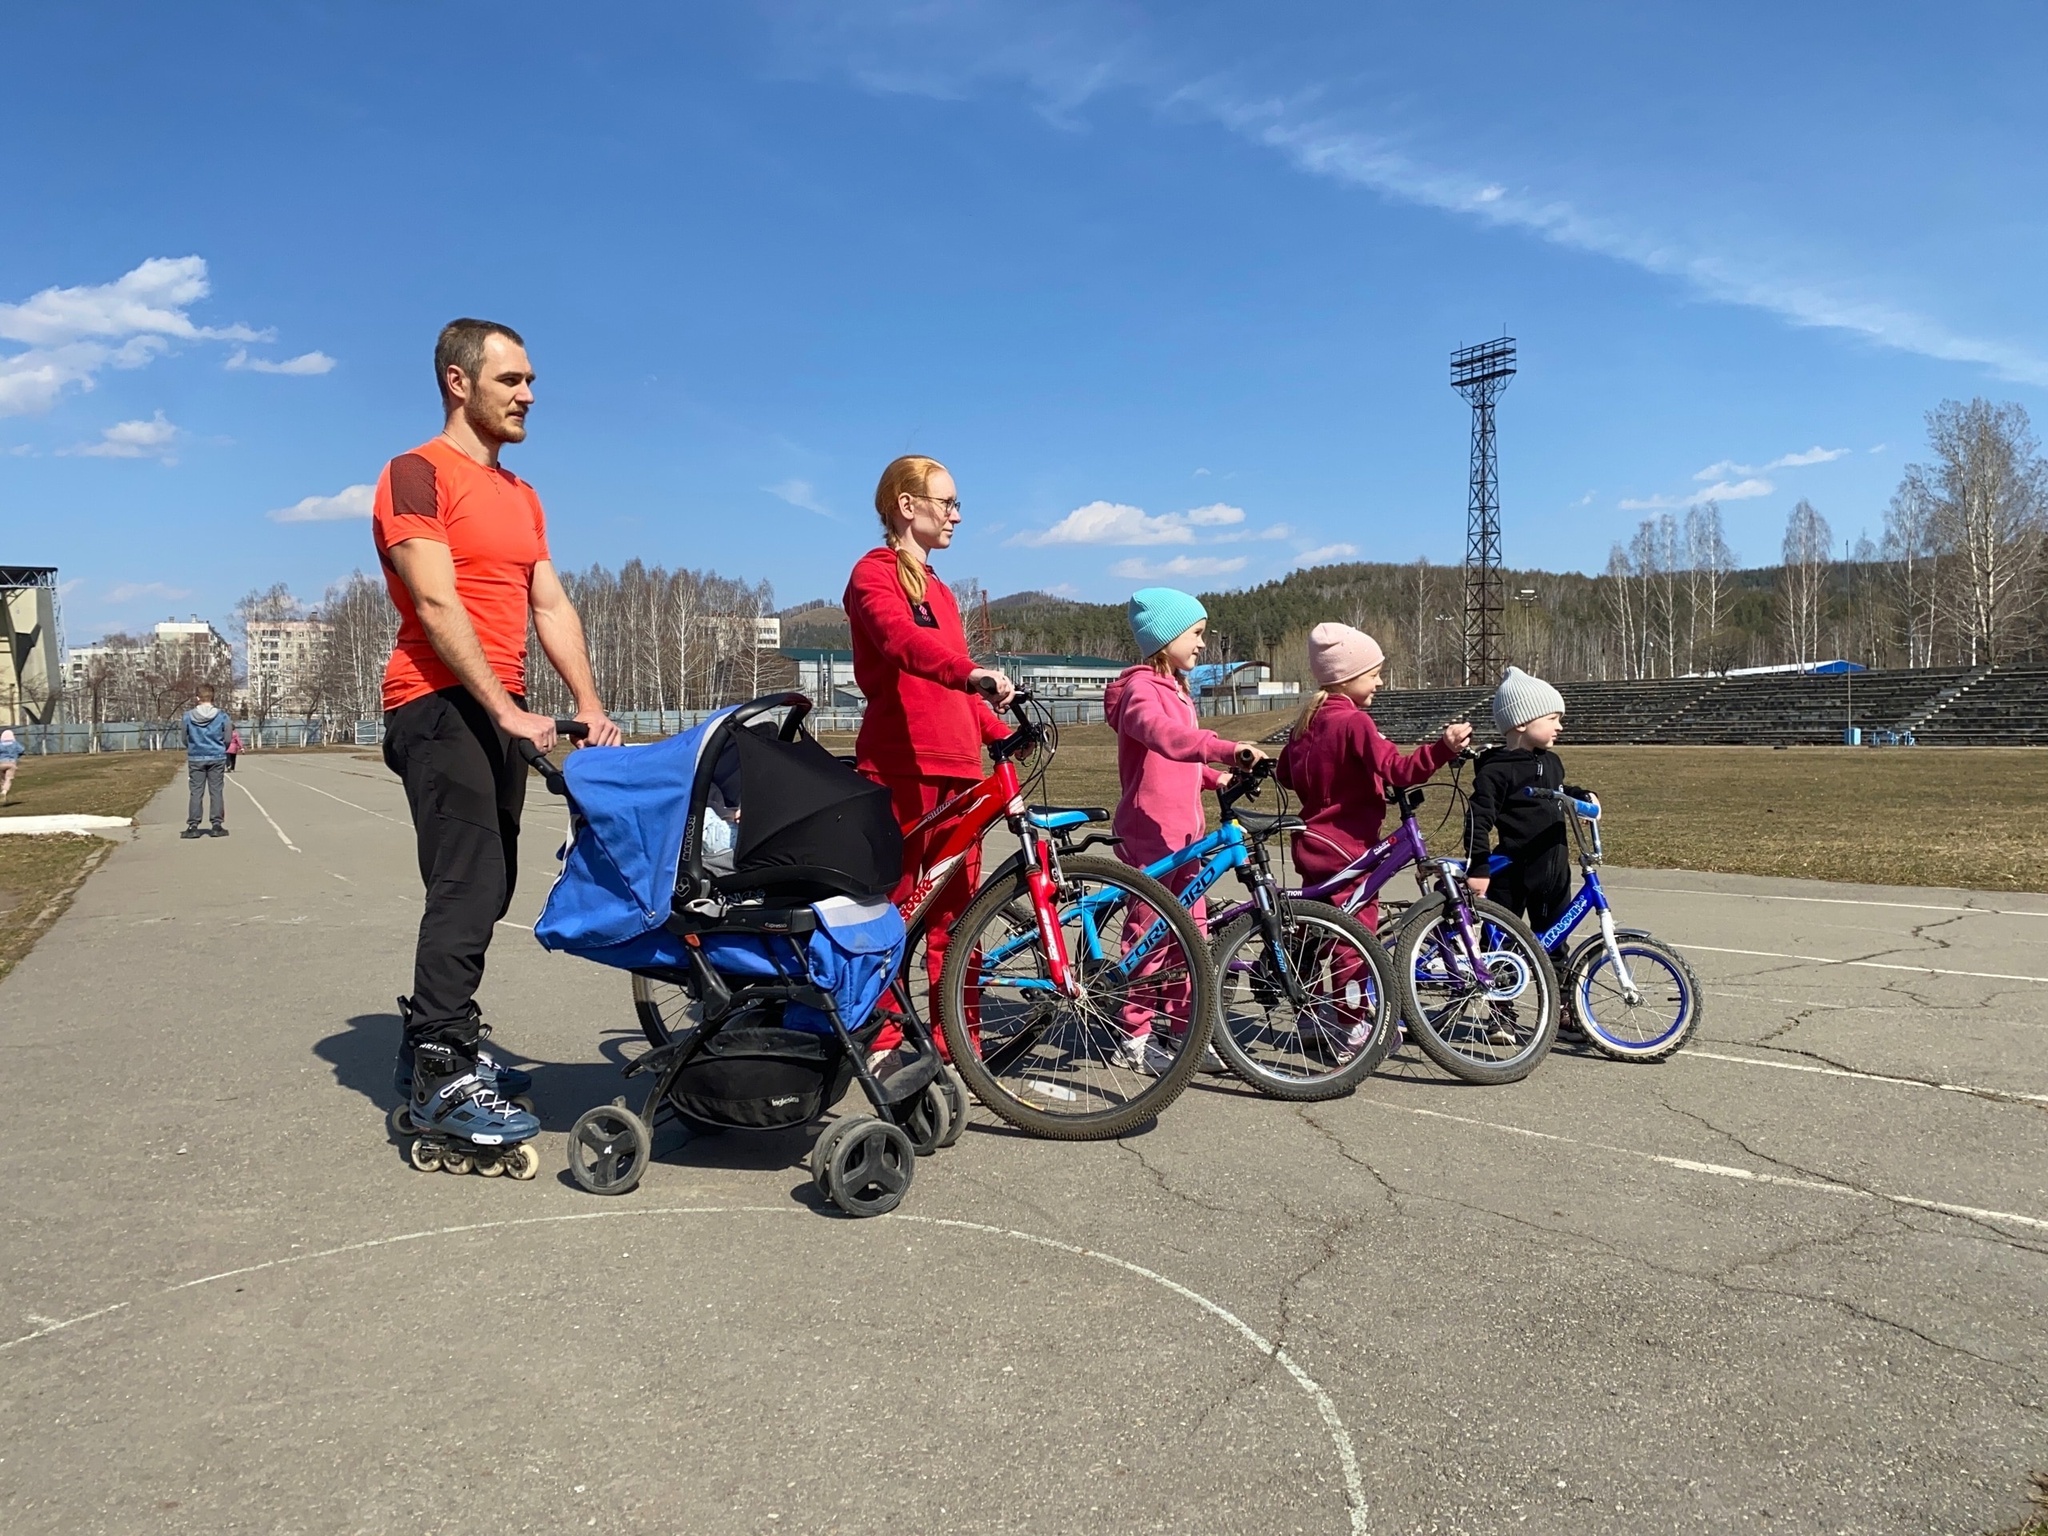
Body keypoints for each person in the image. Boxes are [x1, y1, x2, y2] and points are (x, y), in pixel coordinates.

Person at [374, 316, 621, 1159]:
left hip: (496, 706)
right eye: (511, 379)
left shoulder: (520, 494)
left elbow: (548, 604)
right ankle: (442, 1069)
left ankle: (438, 1038)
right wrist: (503, 707)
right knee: (469, 881)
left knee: (493, 875)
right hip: (436, 701)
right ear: (458, 380)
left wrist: (587, 702)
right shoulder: (415, 473)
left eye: (530, 381)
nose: (528, 394)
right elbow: (436, 601)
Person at [844, 454, 1014, 1055]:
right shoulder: (874, 573)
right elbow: (901, 644)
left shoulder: (941, 588)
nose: (957, 516)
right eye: (948, 503)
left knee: (957, 915)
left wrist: (996, 730)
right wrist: (971, 672)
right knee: (895, 908)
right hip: (903, 765)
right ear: (906, 505)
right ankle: (883, 1034)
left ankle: (954, 1040)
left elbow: (955, 691)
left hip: (960, 767)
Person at [1102, 588, 1266, 1074]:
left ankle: (1182, 1030)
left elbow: (1184, 765)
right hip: (1149, 830)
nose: (1202, 643)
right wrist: (1223, 747)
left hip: (1187, 833)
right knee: (1150, 935)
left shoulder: (1178, 690)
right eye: (1195, 634)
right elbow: (1165, 739)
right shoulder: (1141, 691)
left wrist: (1218, 776)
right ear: (1165, 638)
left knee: (1190, 936)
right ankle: (1134, 1034)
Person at [1277, 622, 1471, 932]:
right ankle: (1354, 983)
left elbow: (1286, 774)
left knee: (1315, 932)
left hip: (1312, 841)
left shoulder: (1307, 722)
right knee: (1355, 938)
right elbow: (1400, 770)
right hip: (1347, 846)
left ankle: (1295, 979)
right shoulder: (1355, 722)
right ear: (1346, 678)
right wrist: (1443, 749)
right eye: (1373, 675)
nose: (1379, 682)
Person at [1464, 665, 1592, 946]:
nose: (1560, 726)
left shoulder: (1552, 762)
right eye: (1552, 718)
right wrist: (1478, 868)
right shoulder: (1497, 771)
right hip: (1516, 873)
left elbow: (1558, 790)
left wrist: (1582, 796)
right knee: (1499, 946)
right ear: (1522, 722)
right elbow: (1478, 818)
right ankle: (1483, 985)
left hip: (1555, 869)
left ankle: (1561, 990)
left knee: (1556, 945)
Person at [180, 685, 233, 839]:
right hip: (216, 756)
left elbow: (184, 737)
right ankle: (216, 824)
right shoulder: (222, 716)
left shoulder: (188, 716)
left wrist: (192, 746)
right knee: (216, 790)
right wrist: (223, 748)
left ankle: (193, 825)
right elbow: (228, 737)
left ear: (197, 698)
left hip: (196, 756)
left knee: (196, 791)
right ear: (213, 697)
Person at [0, 727, 22, 804]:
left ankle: (3, 796)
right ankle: (4, 792)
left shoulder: (0, 744)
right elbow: (21, 750)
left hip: (1, 763)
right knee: (8, 779)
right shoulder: (15, 744)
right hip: (11, 763)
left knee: (2, 780)